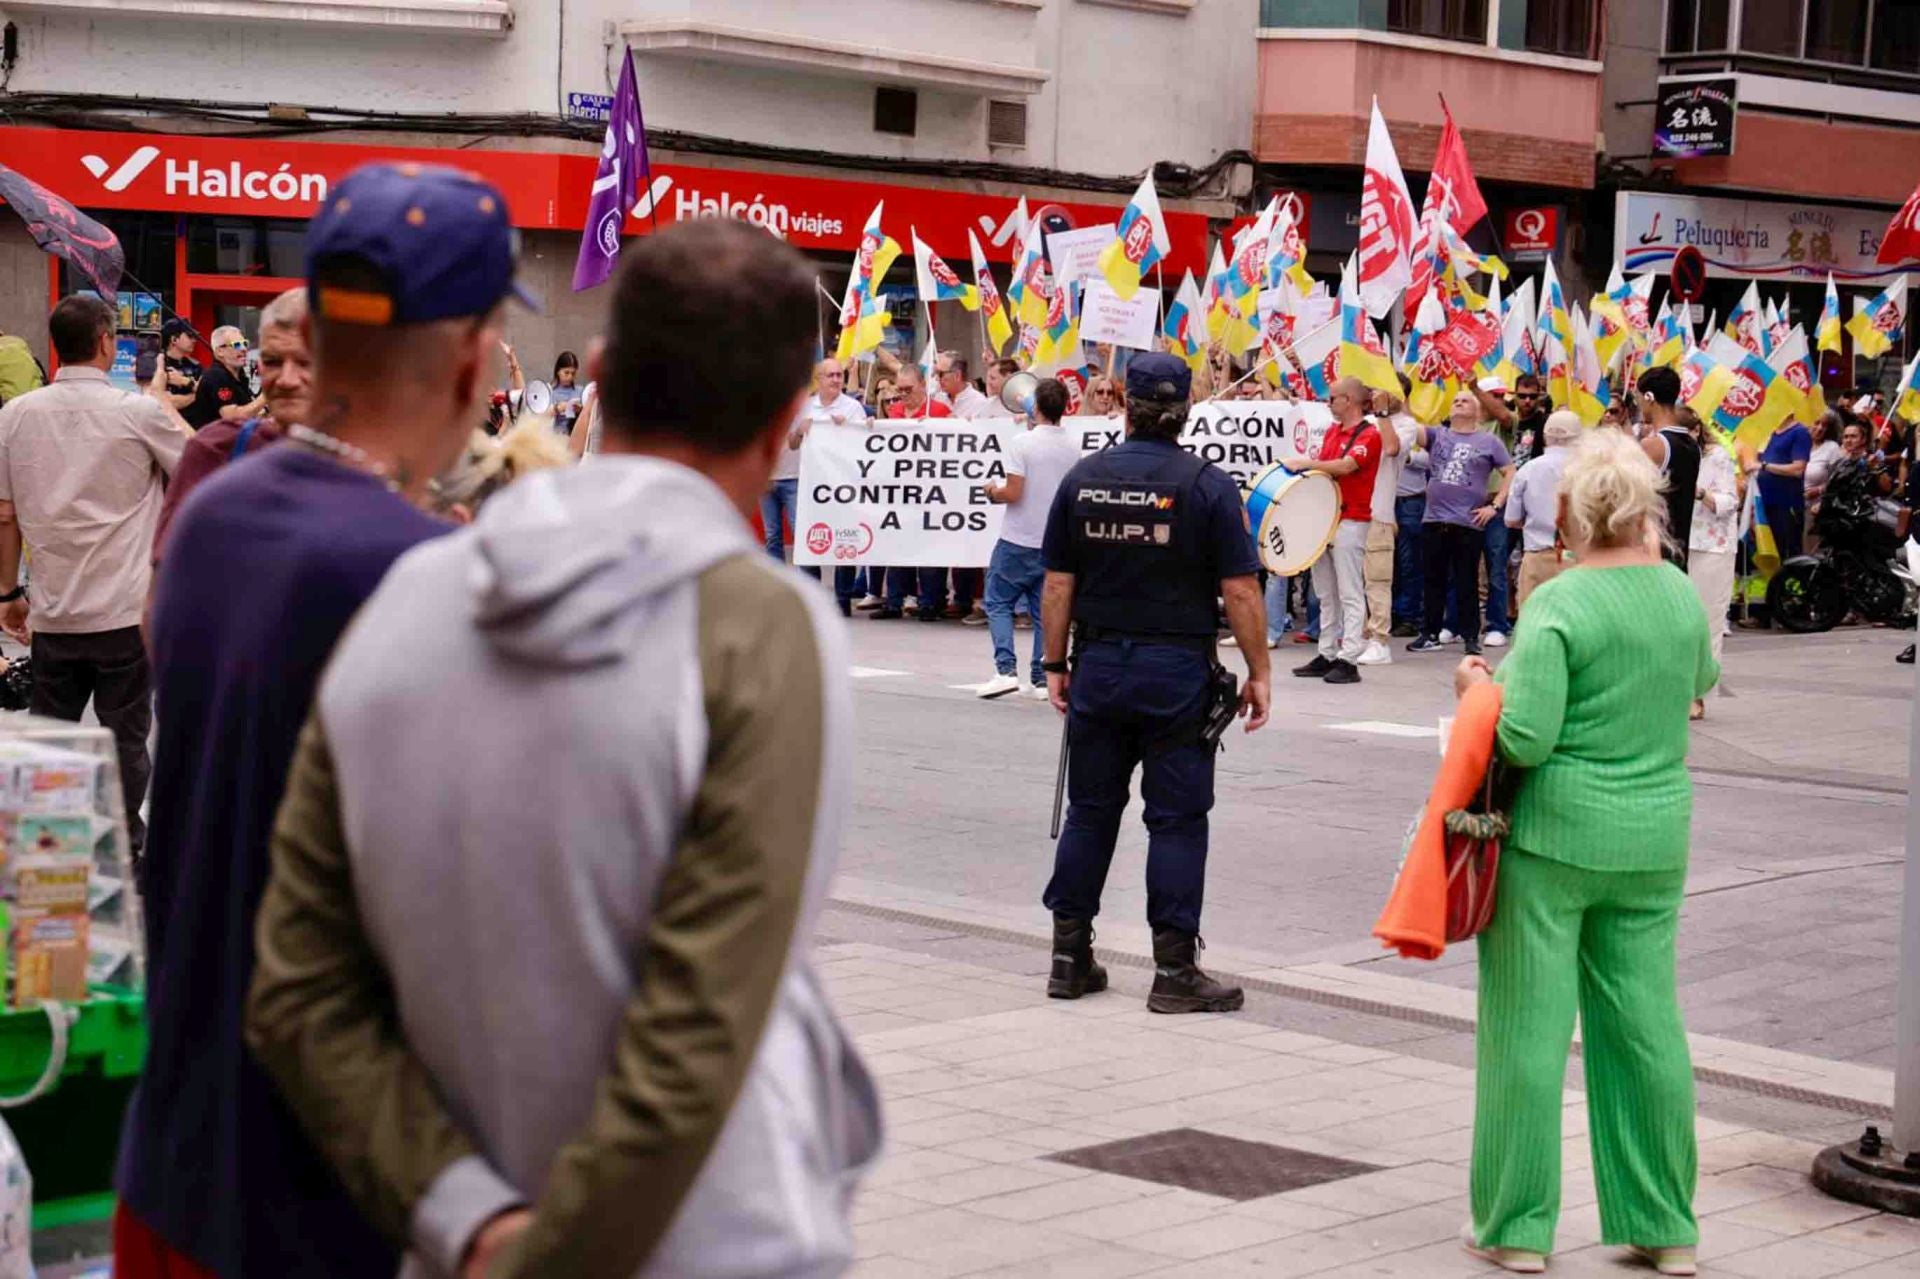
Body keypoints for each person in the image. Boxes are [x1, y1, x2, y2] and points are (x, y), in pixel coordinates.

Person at [247, 216, 879, 1279]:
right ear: (789, 420)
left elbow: (299, 988)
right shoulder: (760, 626)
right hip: (710, 1241)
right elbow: (699, 1032)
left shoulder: (406, 593)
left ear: (600, 375)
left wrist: (472, 1221)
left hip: (455, 1230)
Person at [115, 162, 532, 1279]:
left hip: (170, 1150)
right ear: (463, 350)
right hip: (323, 1193)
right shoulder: (428, 574)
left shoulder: (218, 513)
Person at [1455, 430, 1714, 1277]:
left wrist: (1478, 689)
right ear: (1645, 512)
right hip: (1653, 839)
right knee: (1645, 1026)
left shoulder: (1560, 603)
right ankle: (1664, 1224)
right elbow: (1701, 677)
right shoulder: (1678, 594)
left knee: (1527, 1032)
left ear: (1566, 514)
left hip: (1555, 840)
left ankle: (1518, 1227)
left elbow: (1525, 738)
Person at [1038, 351, 1270, 1013]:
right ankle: (1173, 971)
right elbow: (1241, 589)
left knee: (1091, 810)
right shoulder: (1206, 484)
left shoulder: (1083, 480)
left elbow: (1057, 584)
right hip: (1175, 674)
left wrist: (1055, 666)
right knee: (1175, 821)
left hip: (1100, 666)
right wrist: (1260, 671)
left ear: (1125, 405)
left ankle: (1068, 957)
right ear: (1183, 410)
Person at [0, 293, 187, 851]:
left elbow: (5, 515)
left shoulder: (15, 416)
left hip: (52, 610)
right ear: (107, 342)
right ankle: (125, 846)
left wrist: (9, 591)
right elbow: (202, 463)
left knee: (53, 743)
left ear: (57, 346)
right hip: (124, 610)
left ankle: (49, 848)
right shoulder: (137, 412)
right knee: (124, 739)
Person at [152, 288, 310, 563]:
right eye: (272, 362)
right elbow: (232, 415)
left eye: (304, 362)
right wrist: (263, 399)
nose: (287, 379)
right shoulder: (215, 388)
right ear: (219, 351)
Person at [979, 377, 1078, 699]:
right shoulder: (1073, 446)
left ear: (1036, 407)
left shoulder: (1022, 443)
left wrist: (991, 492)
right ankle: (1039, 677)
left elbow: (1014, 492)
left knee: (997, 601)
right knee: (1041, 611)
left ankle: (1005, 670)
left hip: (1017, 539)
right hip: (1052, 541)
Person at [1408, 390, 1514, 657]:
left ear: (1477, 411)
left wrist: (1495, 506)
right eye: (1456, 399)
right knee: (1433, 580)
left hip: (1468, 521)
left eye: (1465, 400)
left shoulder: (1489, 441)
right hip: (1434, 518)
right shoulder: (1437, 435)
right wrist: (1402, 397)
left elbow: (1510, 471)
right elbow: (1410, 427)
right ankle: (1430, 633)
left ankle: (1469, 636)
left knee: (1466, 581)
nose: (1458, 402)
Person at [1291, 377, 1383, 685]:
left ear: (1349, 401)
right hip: (1326, 517)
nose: (1329, 404)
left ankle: (1349, 657)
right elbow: (1325, 465)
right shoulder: (1333, 431)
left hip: (1351, 518)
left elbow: (1345, 466)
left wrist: (1303, 464)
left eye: (1333, 399)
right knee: (1326, 592)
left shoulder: (1369, 434)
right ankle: (1327, 652)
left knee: (1349, 591)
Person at [1686, 407, 1738, 720]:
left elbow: (1730, 501)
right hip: (1678, 543)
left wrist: (1701, 493)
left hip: (1712, 545)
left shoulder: (1716, 457)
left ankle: (1699, 694)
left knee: (1708, 623)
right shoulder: (1665, 454)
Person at [1505, 409, 1580, 612]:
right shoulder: (1587, 470)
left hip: (1536, 557)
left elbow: (1511, 519)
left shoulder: (1528, 469)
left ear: (1545, 436)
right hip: (1576, 559)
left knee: (1532, 623)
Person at [1634, 366, 1700, 568]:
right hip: (1680, 551)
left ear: (1649, 397)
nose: (1638, 405)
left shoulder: (1653, 445)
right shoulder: (1692, 444)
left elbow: (1632, 496)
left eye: (1638, 398)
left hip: (1654, 551)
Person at [1359, 385, 1406, 664]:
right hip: (1353, 512)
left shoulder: (1406, 425)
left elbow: (1391, 447)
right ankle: (1361, 637)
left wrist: (1382, 413)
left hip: (1379, 514)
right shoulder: (1363, 423)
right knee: (1354, 582)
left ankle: (1380, 641)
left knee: (1377, 581)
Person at [1392, 379, 1430, 637]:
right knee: (1387, 563)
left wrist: (1408, 456)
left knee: (1409, 563)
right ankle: (1391, 612)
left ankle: (1409, 616)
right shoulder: (1375, 423)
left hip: (1410, 503)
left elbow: (1430, 459)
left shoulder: (1415, 426)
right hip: (1384, 503)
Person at [1753, 412, 1813, 564]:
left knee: (1788, 552)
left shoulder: (1799, 432)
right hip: (1765, 502)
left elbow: (1798, 469)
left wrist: (1765, 466)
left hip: (1786, 504)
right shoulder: (1768, 432)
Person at [183, 324, 265, 430]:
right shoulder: (216, 376)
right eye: (237, 345)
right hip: (214, 443)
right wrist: (266, 396)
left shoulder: (240, 376)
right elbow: (232, 417)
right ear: (220, 351)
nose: (244, 349)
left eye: (245, 343)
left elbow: (249, 413)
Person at [160, 318, 202, 412]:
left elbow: (208, 393)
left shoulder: (195, 366)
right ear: (174, 339)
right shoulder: (159, 365)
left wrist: (184, 381)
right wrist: (196, 395)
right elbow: (169, 403)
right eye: (190, 336)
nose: (194, 340)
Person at [936, 350, 992, 418]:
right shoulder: (938, 398)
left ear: (957, 375)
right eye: (936, 373)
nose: (937, 378)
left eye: (940, 374)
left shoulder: (979, 403)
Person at [550, 350, 583, 435]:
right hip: (556, 437)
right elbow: (540, 417)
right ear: (558, 371)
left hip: (576, 436)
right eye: (566, 373)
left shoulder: (580, 391)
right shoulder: (550, 392)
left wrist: (581, 410)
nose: (570, 377)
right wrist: (557, 409)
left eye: (573, 373)